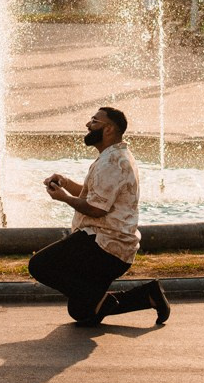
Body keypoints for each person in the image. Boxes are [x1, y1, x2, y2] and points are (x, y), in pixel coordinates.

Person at [28, 107, 170, 326]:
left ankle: (101, 301)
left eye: (94, 121)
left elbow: (96, 209)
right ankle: (149, 295)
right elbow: (91, 196)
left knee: (40, 265)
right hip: (109, 245)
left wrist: (64, 198)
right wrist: (65, 183)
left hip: (104, 245)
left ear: (109, 129)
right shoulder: (112, 156)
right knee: (82, 311)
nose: (88, 125)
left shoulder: (112, 162)